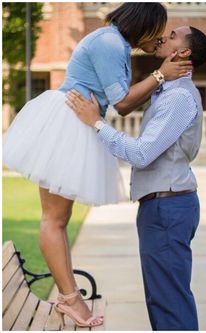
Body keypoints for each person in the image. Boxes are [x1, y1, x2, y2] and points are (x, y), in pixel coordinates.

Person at [3, 3, 193, 329]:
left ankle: (69, 298)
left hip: (79, 124)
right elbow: (121, 103)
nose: (160, 37)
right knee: (55, 218)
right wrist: (160, 75)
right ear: (143, 26)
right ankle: (70, 300)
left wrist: (159, 77)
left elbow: (124, 102)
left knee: (58, 218)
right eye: (159, 29)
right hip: (67, 123)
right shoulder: (109, 43)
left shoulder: (116, 44)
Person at [66, 26, 206, 330]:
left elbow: (142, 153)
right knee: (163, 299)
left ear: (183, 53)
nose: (163, 37)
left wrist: (96, 124)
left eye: (172, 36)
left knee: (169, 302)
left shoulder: (179, 99)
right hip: (163, 206)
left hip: (168, 208)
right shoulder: (168, 92)